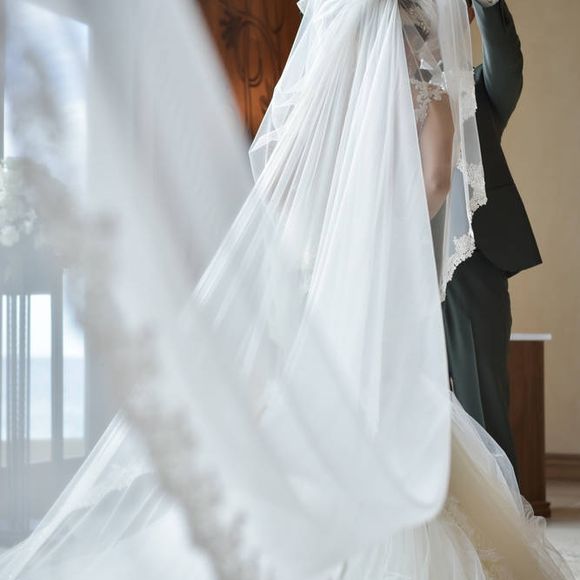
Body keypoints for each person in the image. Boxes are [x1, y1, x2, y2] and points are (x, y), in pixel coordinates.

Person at [0, 0, 572, 579]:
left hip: (331, 276)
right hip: (398, 277)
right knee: (401, 403)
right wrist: (398, 236)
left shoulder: (330, 80)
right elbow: (436, 179)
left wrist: (335, 238)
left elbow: (283, 182)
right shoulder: (429, 79)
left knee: (333, 405)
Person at [443, 0, 542, 470]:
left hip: (474, 265)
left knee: (483, 411)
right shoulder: (374, 98)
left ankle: (497, 511)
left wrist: (486, 3)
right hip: (396, 264)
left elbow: (508, 64)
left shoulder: (479, 91)